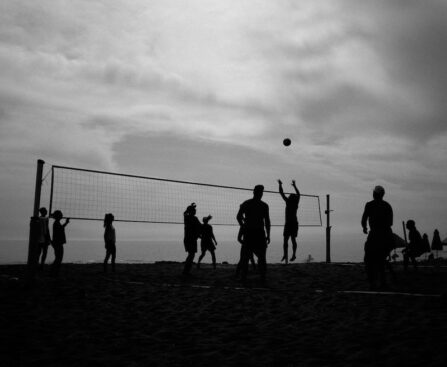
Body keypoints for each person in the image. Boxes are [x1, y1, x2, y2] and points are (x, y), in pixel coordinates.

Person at [361, 185, 394, 290]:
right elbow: (390, 223)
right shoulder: (387, 205)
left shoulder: (369, 205)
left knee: (369, 259)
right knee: (381, 260)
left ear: (375, 194)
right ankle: (382, 283)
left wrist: (365, 227)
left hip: (375, 234)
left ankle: (373, 283)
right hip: (386, 235)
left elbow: (364, 218)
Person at [236, 185, 270, 283]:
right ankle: (262, 278)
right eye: (261, 192)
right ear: (260, 193)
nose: (261, 194)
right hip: (258, 233)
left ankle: (244, 278)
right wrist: (268, 234)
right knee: (261, 257)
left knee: (246, 257)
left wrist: (243, 226)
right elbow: (267, 221)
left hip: (250, 232)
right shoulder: (263, 205)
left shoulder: (246, 203)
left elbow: (238, 217)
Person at [278, 179, 300, 264]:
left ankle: (288, 254)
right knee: (291, 240)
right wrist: (294, 186)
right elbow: (298, 194)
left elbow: (281, 193)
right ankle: (290, 254)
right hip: (293, 223)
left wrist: (280, 184)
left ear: (290, 198)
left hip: (290, 223)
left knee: (287, 240)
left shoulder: (289, 202)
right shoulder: (295, 203)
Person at [183, 203, 201, 276]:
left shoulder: (186, 217)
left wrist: (191, 207)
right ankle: (186, 272)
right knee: (191, 255)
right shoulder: (193, 218)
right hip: (191, 239)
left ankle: (186, 271)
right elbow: (200, 226)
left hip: (188, 239)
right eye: (194, 210)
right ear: (192, 211)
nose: (195, 211)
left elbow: (184, 213)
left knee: (191, 255)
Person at [50, 210, 70, 277]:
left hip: (57, 243)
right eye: (61, 214)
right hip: (57, 243)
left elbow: (61, 228)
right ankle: (54, 272)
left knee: (58, 258)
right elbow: (60, 229)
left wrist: (66, 223)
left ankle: (55, 272)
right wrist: (66, 223)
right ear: (58, 216)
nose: (62, 215)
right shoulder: (56, 223)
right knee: (58, 258)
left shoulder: (57, 223)